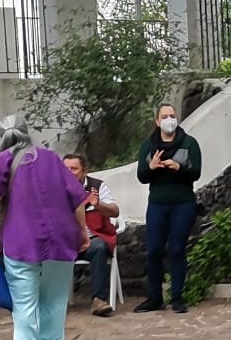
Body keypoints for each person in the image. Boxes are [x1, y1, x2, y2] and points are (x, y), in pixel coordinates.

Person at [0, 116, 88, 340]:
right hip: (61, 238)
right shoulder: (51, 158)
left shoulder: (2, 161)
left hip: (21, 241)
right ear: (28, 133)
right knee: (55, 297)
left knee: (24, 302)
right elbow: (77, 200)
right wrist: (82, 233)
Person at [134, 103, 201, 315]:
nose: (169, 119)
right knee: (153, 250)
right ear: (157, 121)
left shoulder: (189, 143)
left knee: (177, 249)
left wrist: (178, 167)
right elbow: (142, 176)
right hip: (157, 204)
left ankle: (177, 297)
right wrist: (151, 167)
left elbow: (196, 173)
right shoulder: (148, 146)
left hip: (183, 203)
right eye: (164, 116)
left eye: (172, 115)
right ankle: (155, 298)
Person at [65, 154, 120, 317]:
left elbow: (115, 211)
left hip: (91, 240)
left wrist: (98, 204)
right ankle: (48, 302)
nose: (68, 172)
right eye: (65, 169)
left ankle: (98, 300)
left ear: (84, 171)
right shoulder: (54, 189)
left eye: (73, 169)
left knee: (100, 247)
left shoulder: (97, 186)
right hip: (65, 242)